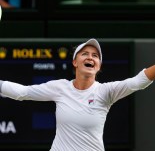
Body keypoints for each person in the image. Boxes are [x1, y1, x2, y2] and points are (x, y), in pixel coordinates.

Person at [0, 38, 154, 151]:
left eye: (95, 56)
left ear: (99, 65)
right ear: (75, 62)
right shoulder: (60, 87)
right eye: (85, 54)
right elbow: (22, 92)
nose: (90, 57)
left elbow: (138, 82)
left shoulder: (106, 91)